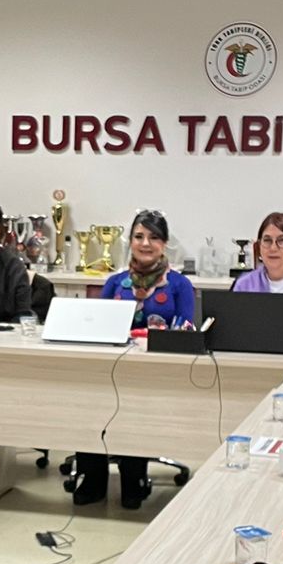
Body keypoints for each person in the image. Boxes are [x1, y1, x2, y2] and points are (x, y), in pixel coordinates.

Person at [76, 210, 198, 510]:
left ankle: (134, 478)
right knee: (88, 400)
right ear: (130, 241)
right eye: (139, 236)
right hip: (112, 367)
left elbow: (186, 330)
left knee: (136, 407)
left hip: (157, 372)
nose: (146, 243)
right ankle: (92, 478)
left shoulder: (179, 285)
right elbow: (99, 326)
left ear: (164, 244)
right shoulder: (115, 282)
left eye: (154, 237)